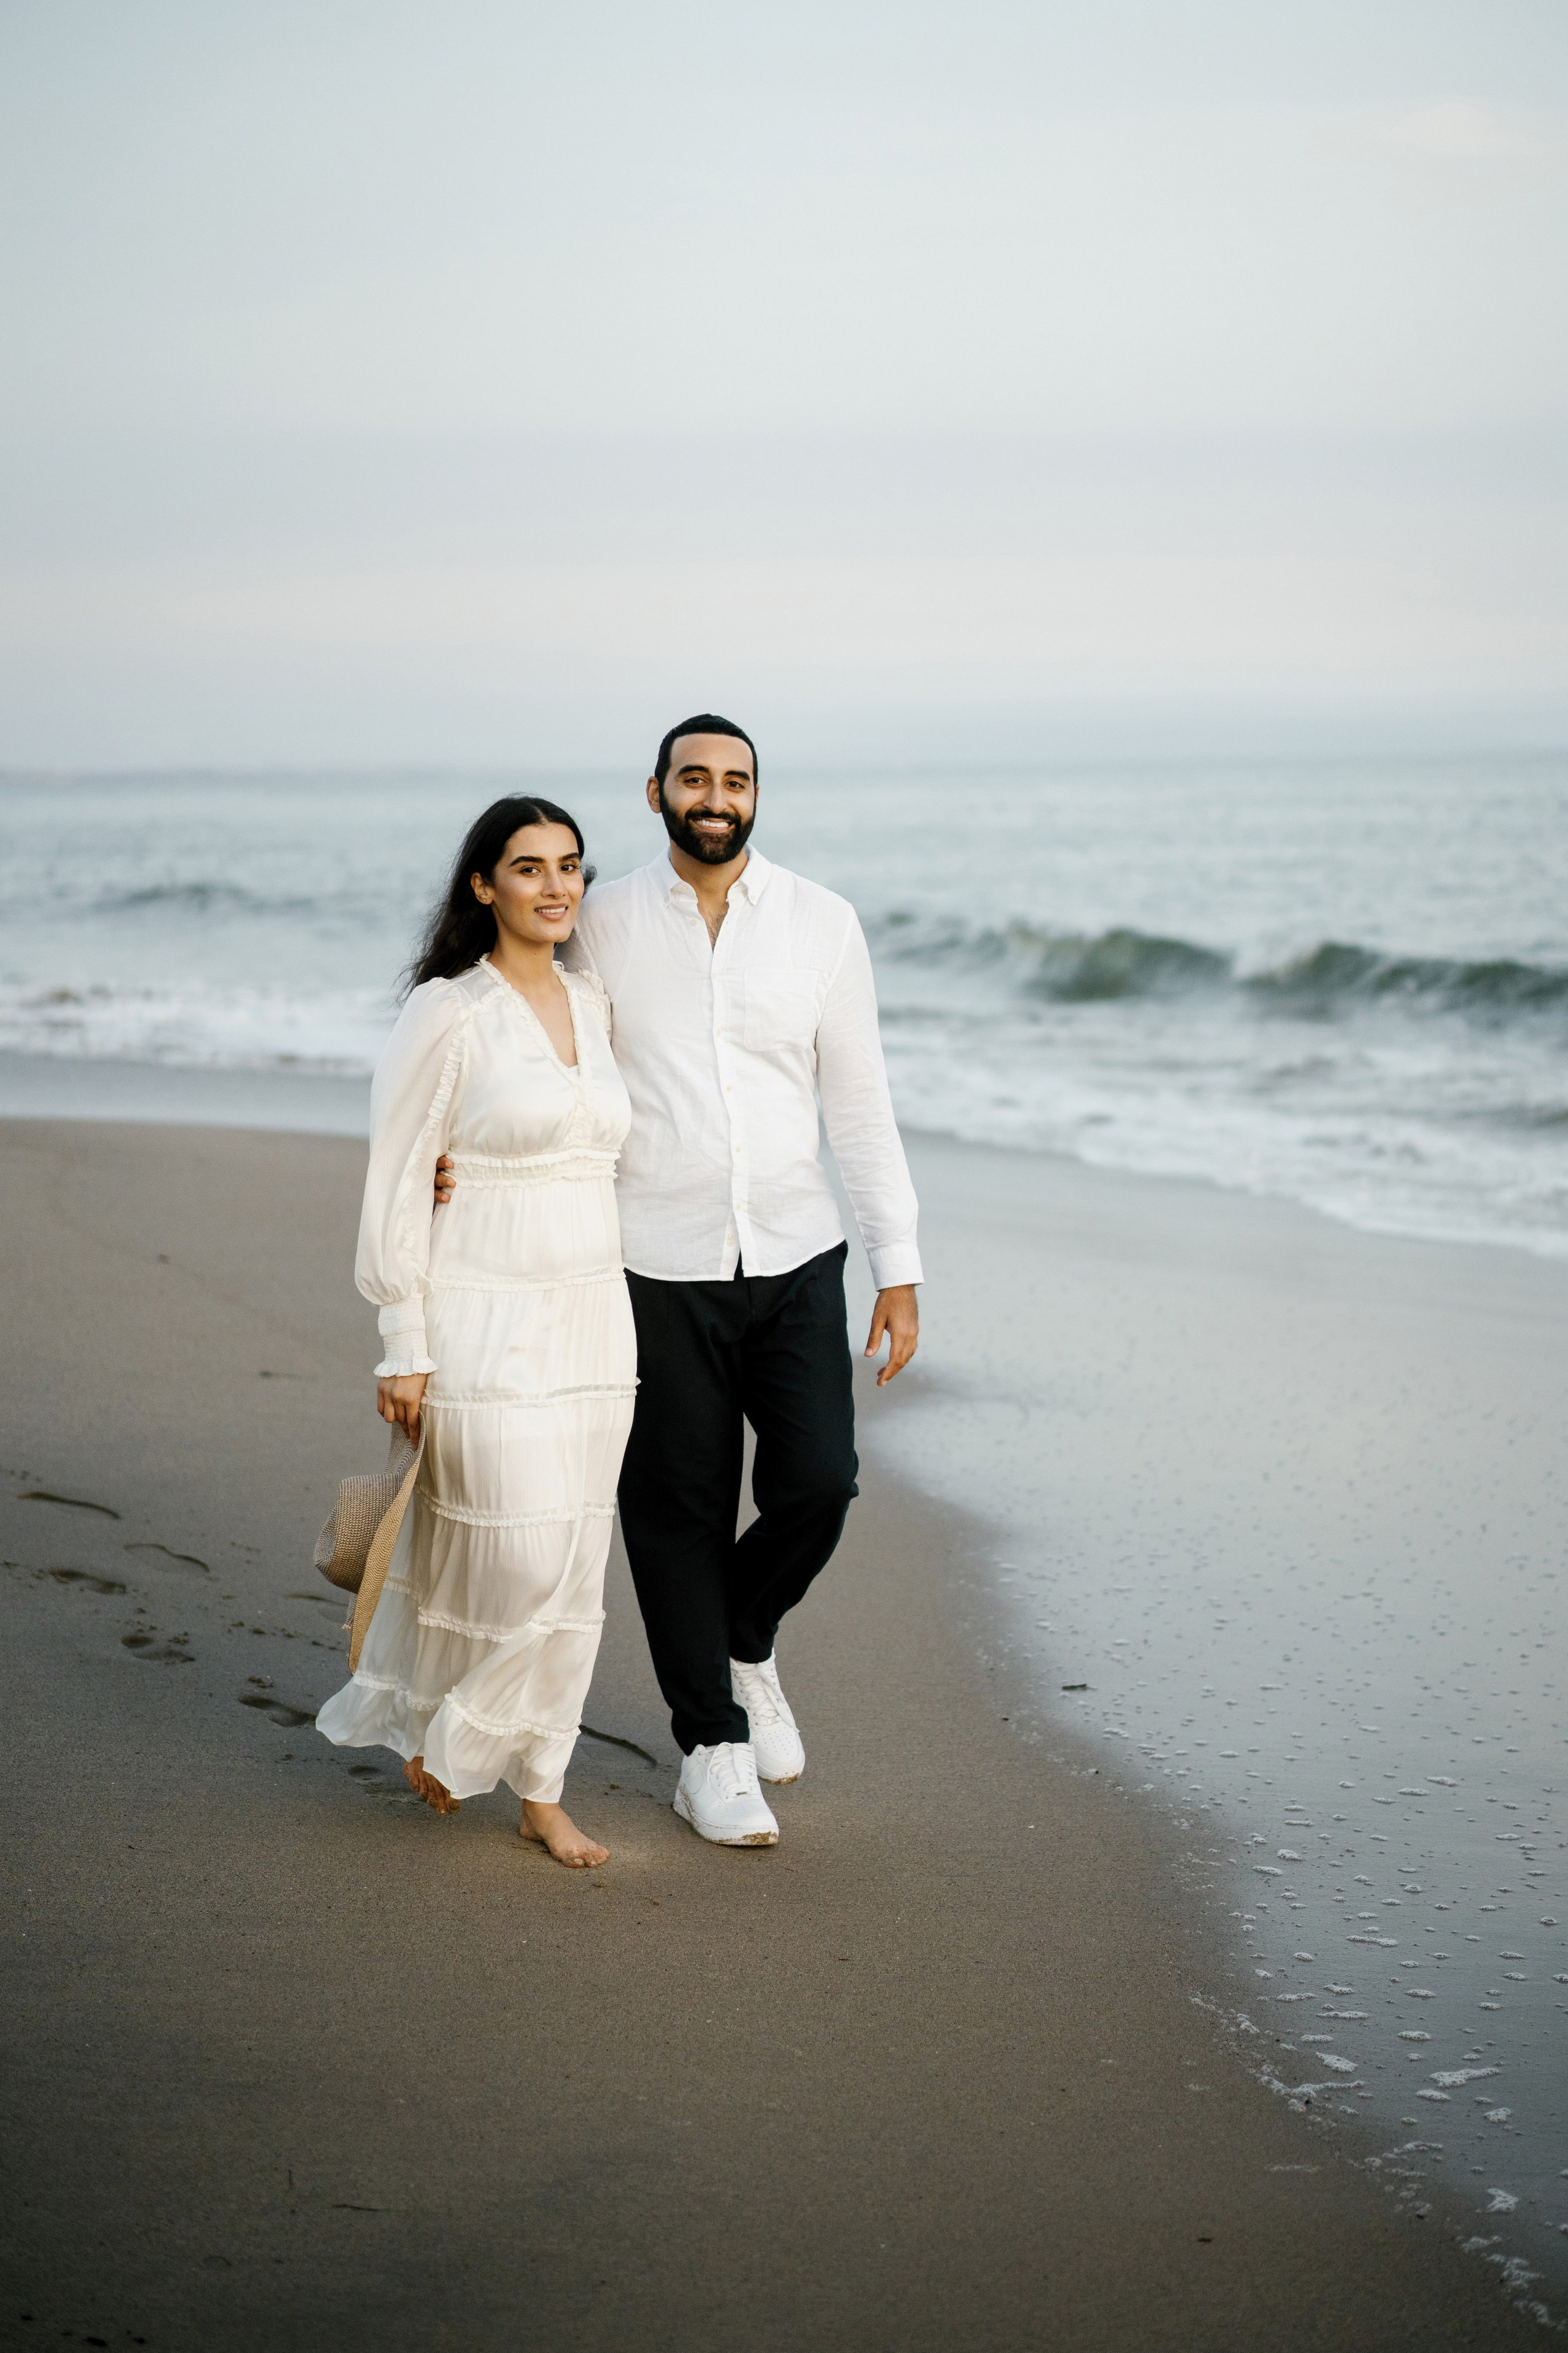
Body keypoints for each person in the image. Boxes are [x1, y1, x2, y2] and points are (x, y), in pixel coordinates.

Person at [436, 716, 921, 1848]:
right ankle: (709, 1746)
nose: (716, 795)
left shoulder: (821, 924)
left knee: (820, 1481)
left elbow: (858, 1103)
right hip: (649, 1262)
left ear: (759, 794)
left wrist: (897, 1265)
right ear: (655, 793)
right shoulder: (597, 924)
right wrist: (460, 1147)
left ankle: (743, 1642)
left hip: (797, 1253)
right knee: (678, 1509)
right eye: (694, 778)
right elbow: (519, 1035)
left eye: (736, 780)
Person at [315, 796, 636, 1868]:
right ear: (482, 885)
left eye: (572, 868)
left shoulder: (596, 1004)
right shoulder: (450, 1012)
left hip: (595, 1319)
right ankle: (455, 1727)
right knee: (523, 1548)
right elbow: (402, 1172)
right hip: (480, 1314)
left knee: (576, 1559)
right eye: (530, 866)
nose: (556, 886)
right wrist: (401, 1337)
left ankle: (541, 1787)